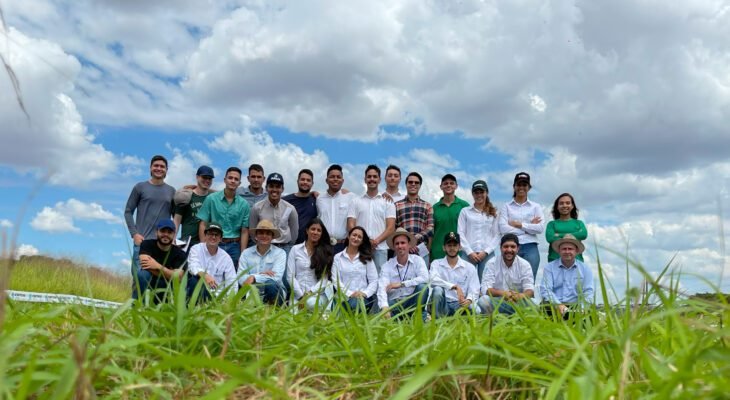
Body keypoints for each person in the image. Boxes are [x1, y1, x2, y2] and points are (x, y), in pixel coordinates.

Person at [124, 155, 175, 277]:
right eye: (156, 165)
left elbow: (176, 217)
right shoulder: (140, 187)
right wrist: (134, 234)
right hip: (142, 241)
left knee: (158, 281)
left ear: (166, 170)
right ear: (150, 168)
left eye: (162, 166)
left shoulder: (172, 191)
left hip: (162, 244)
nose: (159, 168)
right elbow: (128, 211)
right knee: (139, 278)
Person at [196, 167, 250, 268]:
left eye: (236, 179)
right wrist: (203, 246)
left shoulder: (244, 204)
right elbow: (203, 223)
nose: (233, 181)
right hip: (213, 242)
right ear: (225, 180)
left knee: (233, 277)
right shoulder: (211, 199)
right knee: (210, 274)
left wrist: (243, 253)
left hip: (234, 246)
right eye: (230, 178)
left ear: (239, 183)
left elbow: (244, 231)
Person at [347, 165, 396, 271]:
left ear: (379, 179)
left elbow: (391, 227)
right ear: (365, 179)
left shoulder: (388, 202)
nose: (372, 179)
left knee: (380, 280)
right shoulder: (356, 201)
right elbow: (351, 224)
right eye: (369, 177)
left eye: (375, 176)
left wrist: (375, 241)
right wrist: (364, 241)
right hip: (360, 247)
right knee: (359, 279)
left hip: (380, 249)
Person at [499, 172, 545, 279]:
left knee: (529, 280)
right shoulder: (506, 206)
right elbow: (503, 228)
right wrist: (528, 228)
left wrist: (518, 225)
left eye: (524, 185)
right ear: (514, 187)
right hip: (511, 246)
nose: (521, 188)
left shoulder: (536, 207)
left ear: (529, 187)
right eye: (519, 185)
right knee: (509, 279)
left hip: (531, 246)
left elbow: (540, 228)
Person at [378, 228, 429, 320]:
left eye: (403, 243)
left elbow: (425, 278)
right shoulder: (387, 265)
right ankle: (419, 317)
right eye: (397, 243)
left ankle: (417, 316)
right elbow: (382, 287)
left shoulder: (418, 260)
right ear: (393, 247)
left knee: (423, 287)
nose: (400, 246)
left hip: (412, 301)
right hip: (395, 303)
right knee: (383, 306)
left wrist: (402, 284)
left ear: (409, 245)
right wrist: (384, 307)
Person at [539, 234, 594, 319]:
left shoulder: (585, 269)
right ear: (559, 251)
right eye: (564, 249)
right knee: (542, 311)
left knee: (591, 316)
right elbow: (545, 289)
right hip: (554, 305)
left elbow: (588, 291)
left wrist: (582, 308)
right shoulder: (549, 268)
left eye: (570, 249)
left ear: (576, 251)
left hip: (576, 306)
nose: (567, 251)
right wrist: (558, 305)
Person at [477, 233, 534, 315]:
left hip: (517, 302)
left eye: (513, 247)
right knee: (483, 301)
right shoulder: (491, 263)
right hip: (498, 302)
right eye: (506, 246)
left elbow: (530, 290)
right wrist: (504, 294)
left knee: (534, 303)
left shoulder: (525, 264)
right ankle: (494, 322)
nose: (509, 250)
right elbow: (485, 289)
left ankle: (518, 321)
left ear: (518, 248)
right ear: (500, 248)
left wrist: (519, 296)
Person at [132, 219, 187, 302]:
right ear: (156, 232)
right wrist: (169, 273)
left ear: (174, 235)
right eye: (163, 231)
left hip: (167, 287)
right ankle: (139, 306)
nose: (166, 234)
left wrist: (157, 266)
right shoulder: (147, 244)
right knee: (142, 275)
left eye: (169, 232)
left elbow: (178, 277)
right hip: (150, 282)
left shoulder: (180, 254)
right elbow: (144, 265)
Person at [286, 218, 334, 312]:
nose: (315, 232)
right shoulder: (295, 249)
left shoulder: (325, 252)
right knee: (293, 315)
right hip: (298, 294)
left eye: (319, 230)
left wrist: (309, 294)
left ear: (321, 234)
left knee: (310, 303)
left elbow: (324, 279)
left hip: (317, 295)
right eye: (313, 229)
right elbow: (290, 276)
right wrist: (300, 296)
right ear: (307, 230)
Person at [429, 232, 480, 318]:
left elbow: (475, 288)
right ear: (444, 248)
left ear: (459, 247)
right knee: (437, 290)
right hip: (444, 305)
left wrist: (469, 299)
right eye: (449, 245)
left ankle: (465, 322)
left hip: (460, 305)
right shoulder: (436, 263)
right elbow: (433, 280)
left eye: (455, 245)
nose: (452, 248)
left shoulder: (469, 267)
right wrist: (454, 286)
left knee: (476, 309)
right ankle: (437, 322)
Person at [457, 180, 499, 282]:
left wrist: (485, 252)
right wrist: (469, 252)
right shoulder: (465, 211)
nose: (479, 195)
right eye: (476, 192)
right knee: (464, 282)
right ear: (472, 194)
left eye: (482, 192)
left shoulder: (494, 213)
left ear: (487, 193)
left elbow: (497, 235)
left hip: (487, 254)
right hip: (467, 254)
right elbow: (460, 232)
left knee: (486, 283)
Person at [332, 226, 379, 314]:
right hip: (343, 296)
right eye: (354, 235)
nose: (356, 238)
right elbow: (336, 281)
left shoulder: (367, 258)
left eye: (359, 237)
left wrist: (364, 293)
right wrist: (350, 294)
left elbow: (374, 281)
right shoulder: (338, 257)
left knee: (355, 304)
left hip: (363, 298)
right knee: (351, 304)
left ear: (362, 241)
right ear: (348, 237)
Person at [238, 220, 287, 305]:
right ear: (256, 236)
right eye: (261, 233)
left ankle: (274, 313)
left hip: (274, 292)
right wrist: (262, 274)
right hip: (252, 292)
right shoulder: (246, 253)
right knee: (240, 288)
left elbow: (276, 277)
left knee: (271, 285)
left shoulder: (280, 253)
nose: (264, 236)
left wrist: (254, 277)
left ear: (272, 237)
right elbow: (240, 277)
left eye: (268, 233)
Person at [186, 222, 237, 301]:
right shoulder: (196, 249)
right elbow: (192, 266)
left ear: (220, 238)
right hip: (200, 291)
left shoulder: (226, 257)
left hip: (218, 298)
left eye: (216, 235)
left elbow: (232, 281)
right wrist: (204, 275)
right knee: (194, 280)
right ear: (205, 235)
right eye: (210, 234)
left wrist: (229, 301)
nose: (213, 237)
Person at [249, 173, 299, 254]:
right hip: (264, 247)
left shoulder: (290, 208)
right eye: (271, 186)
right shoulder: (257, 208)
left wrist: (288, 245)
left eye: (278, 187)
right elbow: (252, 232)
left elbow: (294, 234)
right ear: (266, 188)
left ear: (282, 189)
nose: (274, 189)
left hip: (285, 248)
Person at [395, 172, 434, 266]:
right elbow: (394, 228)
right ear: (406, 184)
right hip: (401, 249)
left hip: (421, 249)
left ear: (420, 186)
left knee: (422, 279)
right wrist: (408, 243)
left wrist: (414, 239)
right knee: (400, 278)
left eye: (416, 183)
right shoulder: (397, 205)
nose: (413, 184)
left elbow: (431, 228)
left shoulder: (427, 206)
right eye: (410, 182)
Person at [317, 164, 356, 254]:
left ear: (342, 180)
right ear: (326, 180)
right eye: (332, 177)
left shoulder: (351, 197)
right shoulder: (319, 199)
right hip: (323, 245)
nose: (335, 179)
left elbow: (367, 200)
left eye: (338, 177)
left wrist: (385, 195)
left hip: (343, 246)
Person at [173, 165, 214, 247]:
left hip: (206, 243)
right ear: (197, 177)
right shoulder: (185, 195)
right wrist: (173, 239)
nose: (207, 180)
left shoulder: (213, 197)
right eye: (204, 177)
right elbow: (177, 219)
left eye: (209, 178)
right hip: (188, 242)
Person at [431, 174, 469, 262]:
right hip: (438, 253)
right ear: (441, 187)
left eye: (452, 183)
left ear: (456, 186)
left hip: (459, 253)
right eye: (446, 183)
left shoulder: (464, 206)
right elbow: (431, 232)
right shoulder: (434, 208)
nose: (448, 185)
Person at [546, 193, 588, 263]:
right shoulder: (551, 224)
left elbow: (583, 234)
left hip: (577, 261)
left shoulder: (579, 223)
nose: (564, 205)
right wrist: (573, 235)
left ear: (572, 206)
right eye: (561, 203)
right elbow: (550, 238)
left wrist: (559, 235)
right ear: (557, 207)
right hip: (555, 261)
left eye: (568, 203)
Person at [283, 169, 318, 244]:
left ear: (312, 183)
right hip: (288, 245)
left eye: (308, 180)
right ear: (297, 181)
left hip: (309, 245)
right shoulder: (285, 201)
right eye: (302, 179)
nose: (305, 182)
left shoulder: (316, 201)